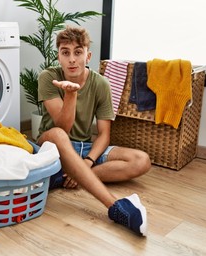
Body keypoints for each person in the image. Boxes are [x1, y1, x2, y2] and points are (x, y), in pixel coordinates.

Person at [36, 25, 151, 236]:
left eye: (78, 52)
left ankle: (74, 175)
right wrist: (71, 95)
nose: (72, 59)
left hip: (84, 148)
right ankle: (115, 207)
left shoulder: (101, 84)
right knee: (59, 135)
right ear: (58, 57)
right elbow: (62, 127)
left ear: (87, 56)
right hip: (51, 145)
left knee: (141, 160)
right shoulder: (48, 77)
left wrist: (87, 162)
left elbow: (104, 134)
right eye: (65, 52)